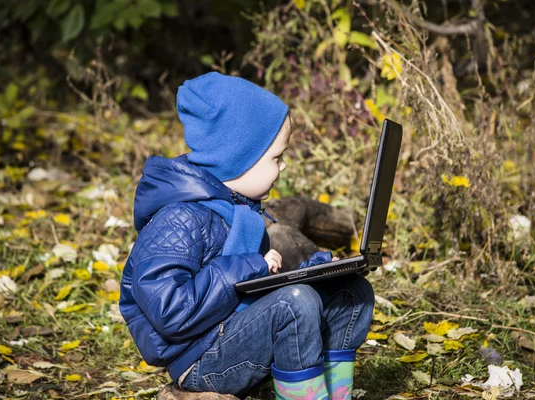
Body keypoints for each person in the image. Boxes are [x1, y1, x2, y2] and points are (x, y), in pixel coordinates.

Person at [119, 72, 375, 400]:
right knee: (295, 304)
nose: (282, 168)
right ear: (238, 160)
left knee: (352, 293)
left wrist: (322, 270)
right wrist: (246, 267)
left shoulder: (237, 206)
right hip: (199, 357)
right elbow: (169, 312)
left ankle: (331, 392)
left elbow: (263, 283)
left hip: (234, 331)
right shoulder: (179, 218)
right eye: (276, 158)